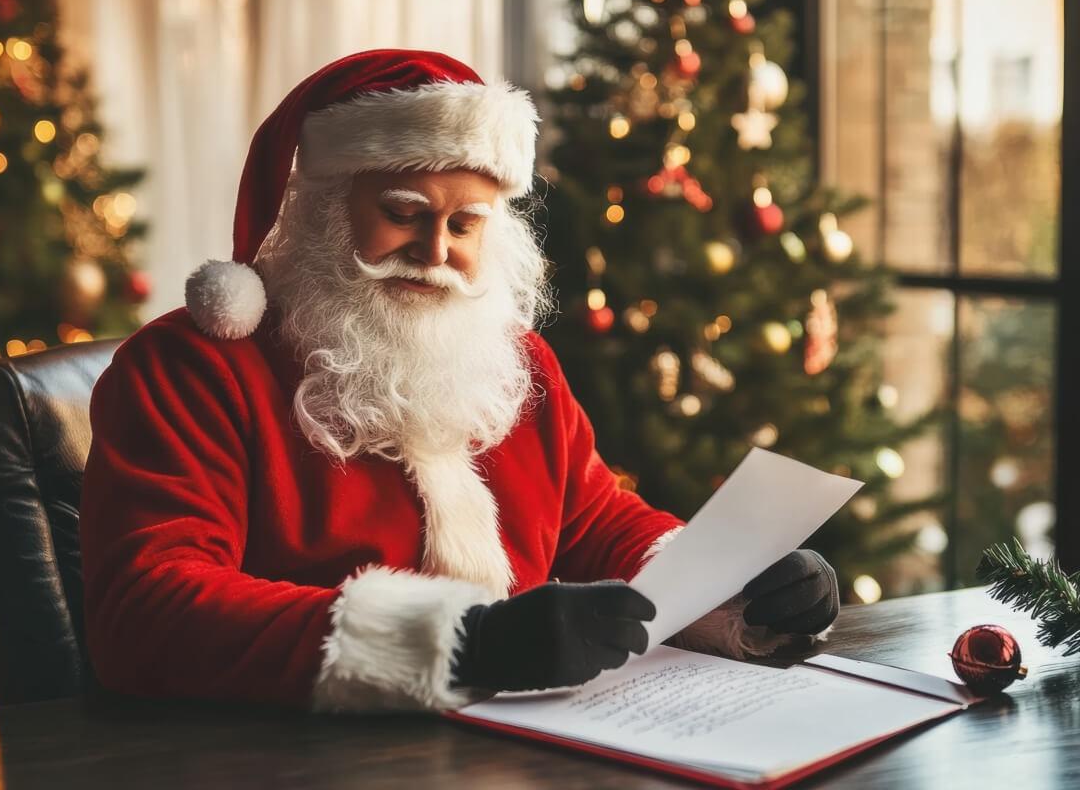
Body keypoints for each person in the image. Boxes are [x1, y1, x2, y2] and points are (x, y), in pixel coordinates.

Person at [78, 49, 839, 712]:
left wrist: (738, 593)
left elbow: (597, 524)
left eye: (465, 224)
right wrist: (459, 644)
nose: (435, 250)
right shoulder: (189, 371)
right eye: (401, 213)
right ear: (324, 212)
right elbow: (147, 610)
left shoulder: (517, 364)